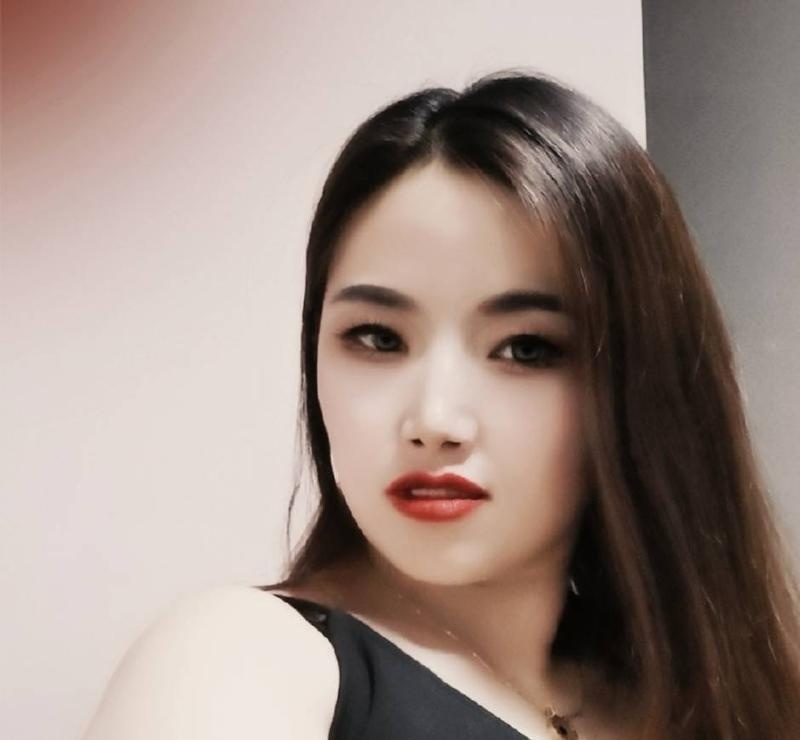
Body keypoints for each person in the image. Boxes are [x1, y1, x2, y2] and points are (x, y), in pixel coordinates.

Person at [81, 69, 800, 740]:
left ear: (640, 385)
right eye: (377, 338)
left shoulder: (702, 698)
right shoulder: (242, 661)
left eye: (526, 348)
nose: (434, 421)